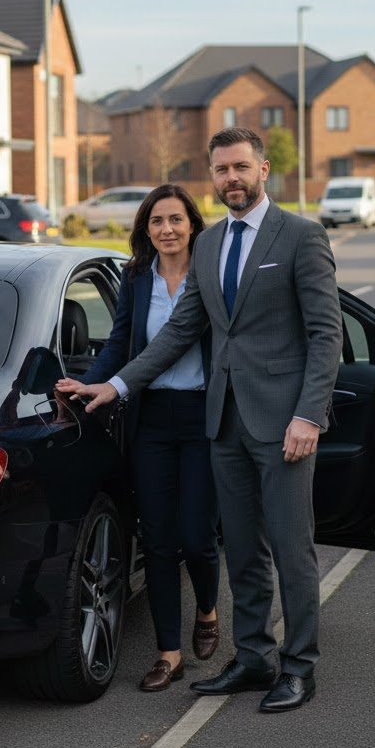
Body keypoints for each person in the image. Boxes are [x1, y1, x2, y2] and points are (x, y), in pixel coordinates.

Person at [59, 128, 342, 713]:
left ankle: (300, 667)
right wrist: (113, 385)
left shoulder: (301, 236)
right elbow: (180, 332)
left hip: (285, 424)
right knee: (240, 549)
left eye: (241, 167)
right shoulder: (209, 246)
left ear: (264, 169)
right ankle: (255, 657)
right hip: (222, 425)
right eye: (221, 170)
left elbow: (325, 334)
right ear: (212, 177)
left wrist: (309, 414)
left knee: (291, 550)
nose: (231, 178)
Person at [58, 184, 220, 692]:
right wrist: (95, 383)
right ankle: (168, 653)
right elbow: (122, 341)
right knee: (158, 539)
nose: (167, 230)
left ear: (192, 223)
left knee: (197, 536)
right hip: (150, 421)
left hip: (202, 417)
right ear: (145, 229)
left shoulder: (211, 275)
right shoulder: (136, 277)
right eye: (156, 222)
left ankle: (210, 609)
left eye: (175, 220)